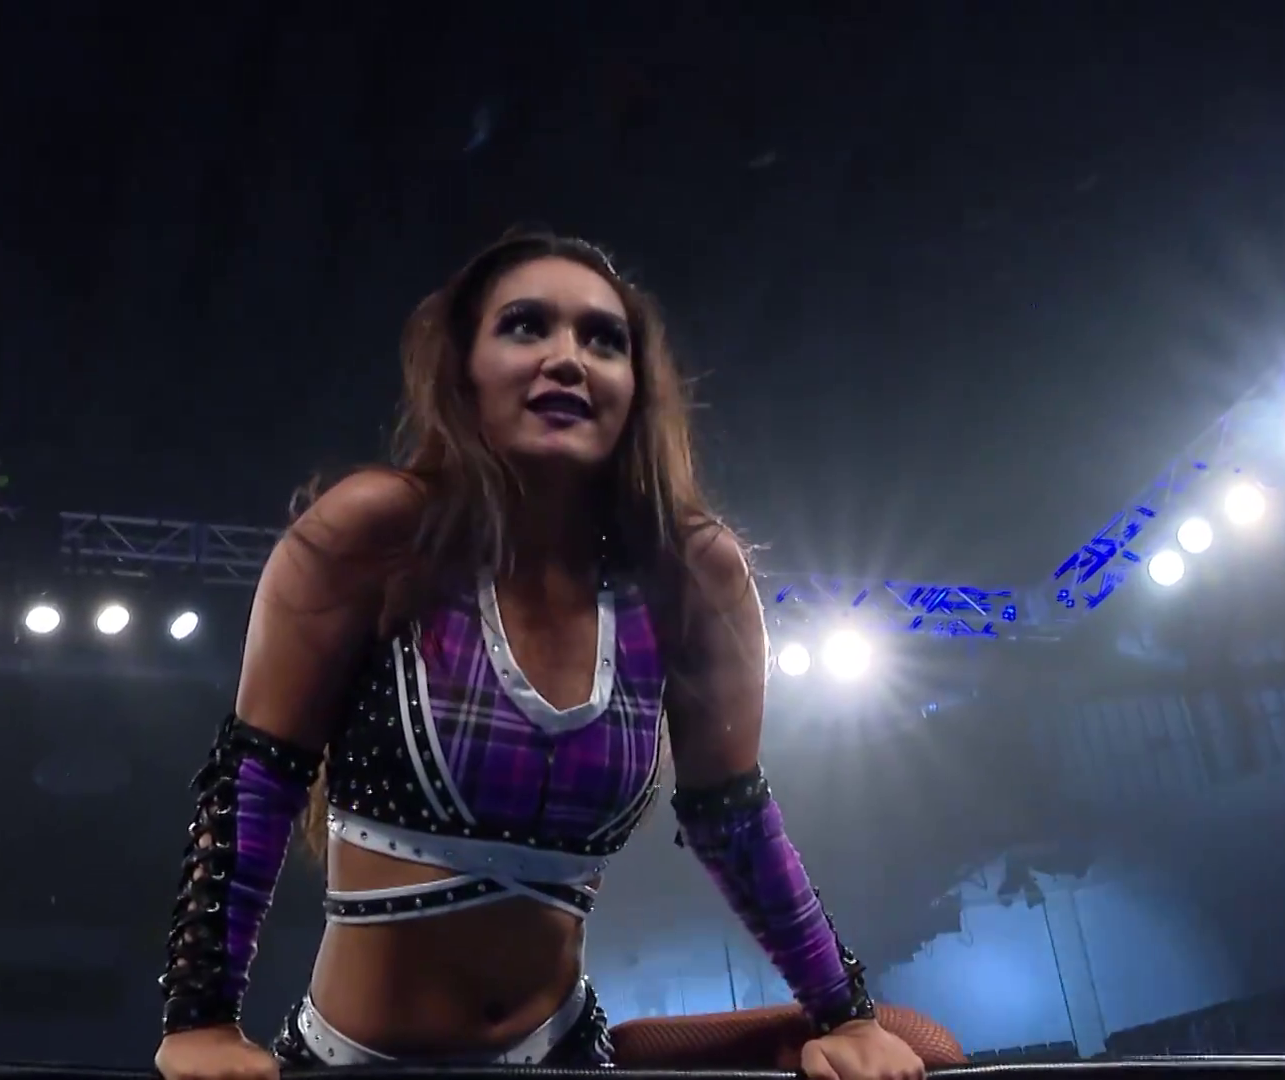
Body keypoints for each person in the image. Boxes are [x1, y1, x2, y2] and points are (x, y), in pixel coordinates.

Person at [153, 230, 927, 1080]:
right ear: (463, 369)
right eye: (526, 326)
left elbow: (734, 817)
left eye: (604, 340)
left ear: (636, 387)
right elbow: (256, 783)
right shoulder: (374, 531)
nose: (568, 358)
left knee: (925, 1045)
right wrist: (202, 1018)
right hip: (353, 1066)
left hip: (563, 1060)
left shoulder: (688, 572)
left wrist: (845, 1012)